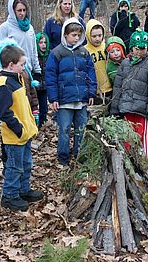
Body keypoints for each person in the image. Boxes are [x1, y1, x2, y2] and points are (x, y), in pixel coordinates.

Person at [0, 43, 44, 211]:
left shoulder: (19, 79)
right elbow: (3, 111)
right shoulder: (4, 84)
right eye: (22, 65)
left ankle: (23, 190)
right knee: (14, 167)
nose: (24, 68)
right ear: (11, 65)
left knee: (26, 163)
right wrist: (18, 128)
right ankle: (9, 196)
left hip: (25, 133)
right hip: (15, 136)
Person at [45, 18, 97, 165]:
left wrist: (91, 92)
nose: (76, 38)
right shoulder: (56, 53)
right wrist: (54, 98)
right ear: (65, 35)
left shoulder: (84, 53)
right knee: (64, 129)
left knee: (81, 128)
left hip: (81, 98)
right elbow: (50, 76)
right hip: (64, 99)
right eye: (73, 35)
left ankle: (79, 154)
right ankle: (63, 157)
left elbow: (91, 73)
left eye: (78, 35)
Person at [110, 29, 148, 160]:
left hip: (142, 110)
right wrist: (115, 108)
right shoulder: (125, 64)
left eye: (143, 49)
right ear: (131, 48)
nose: (139, 52)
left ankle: (144, 162)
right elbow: (118, 87)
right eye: (137, 49)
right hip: (126, 107)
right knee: (127, 137)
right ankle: (128, 162)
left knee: (142, 136)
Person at [84, 19, 111, 104]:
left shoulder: (106, 47)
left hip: (109, 88)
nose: (97, 39)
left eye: (100, 35)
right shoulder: (85, 50)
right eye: (94, 36)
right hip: (94, 91)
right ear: (88, 35)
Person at [35, 32, 50, 127]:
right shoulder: (34, 55)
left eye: (45, 42)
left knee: (44, 106)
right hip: (35, 86)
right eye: (41, 42)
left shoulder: (50, 55)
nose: (43, 45)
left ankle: (42, 121)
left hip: (45, 86)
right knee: (34, 105)